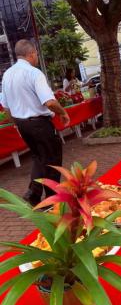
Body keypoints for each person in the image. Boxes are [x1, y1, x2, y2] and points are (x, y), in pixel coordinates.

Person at [1, 39, 70, 206]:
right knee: (52, 158)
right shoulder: (34, 73)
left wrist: (16, 123)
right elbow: (50, 102)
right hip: (39, 123)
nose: (37, 57)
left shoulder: (7, 74)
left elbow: (6, 106)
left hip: (22, 123)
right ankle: (52, 200)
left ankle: (34, 193)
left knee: (39, 157)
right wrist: (63, 112)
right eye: (36, 54)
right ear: (31, 54)